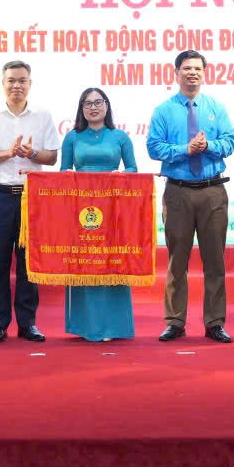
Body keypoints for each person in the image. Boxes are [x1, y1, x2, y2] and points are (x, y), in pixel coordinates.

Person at [147, 50, 234, 343]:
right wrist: (184, 150)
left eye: (197, 68)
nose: (192, 73)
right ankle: (175, 322)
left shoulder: (216, 108)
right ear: (176, 73)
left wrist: (208, 146)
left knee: (215, 262)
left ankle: (215, 323)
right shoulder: (163, 110)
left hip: (212, 191)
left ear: (204, 73)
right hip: (178, 192)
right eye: (186, 68)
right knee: (177, 262)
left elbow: (229, 143)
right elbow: (154, 148)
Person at [0, 60, 60, 343]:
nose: (16, 85)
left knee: (27, 263)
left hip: (31, 197)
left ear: (30, 84)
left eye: (22, 80)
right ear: (3, 84)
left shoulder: (42, 116)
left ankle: (27, 323)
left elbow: (52, 157)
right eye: (11, 80)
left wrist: (31, 154)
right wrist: (7, 153)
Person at [60, 87, 137, 341]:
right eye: (87, 103)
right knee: (86, 262)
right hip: (81, 209)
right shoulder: (72, 137)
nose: (93, 107)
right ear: (81, 108)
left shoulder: (120, 137)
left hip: (113, 208)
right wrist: (68, 176)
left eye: (98, 102)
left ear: (107, 105)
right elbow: (63, 171)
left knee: (111, 261)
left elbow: (133, 169)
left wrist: (121, 175)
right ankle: (86, 327)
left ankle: (113, 326)